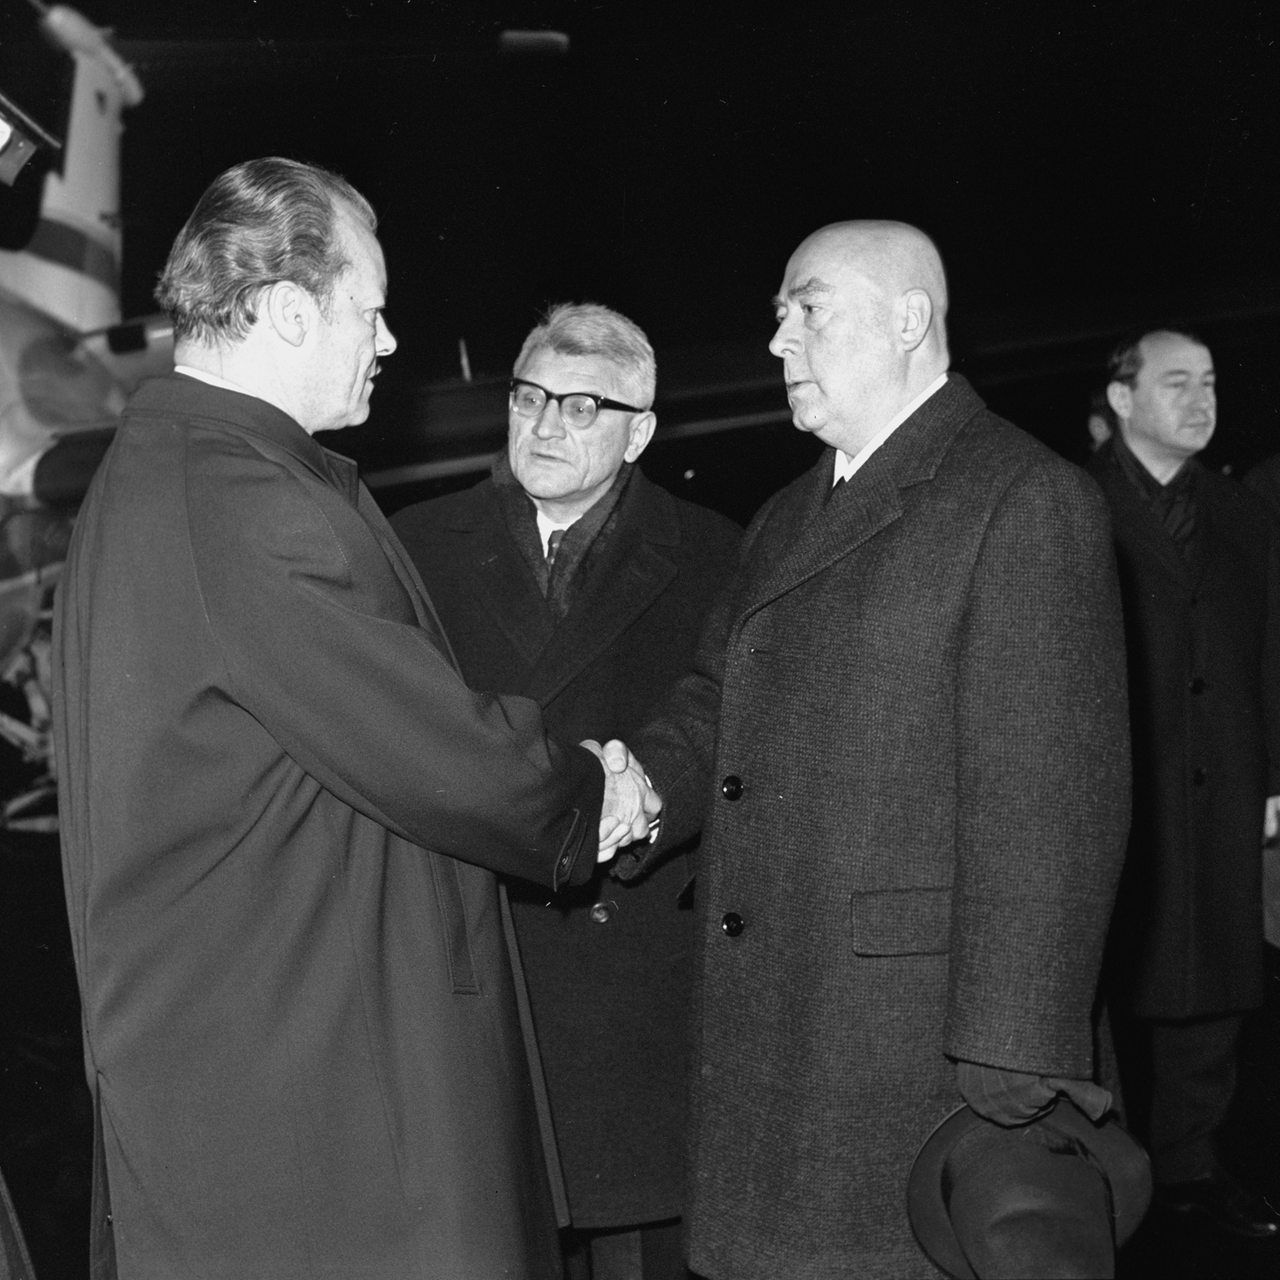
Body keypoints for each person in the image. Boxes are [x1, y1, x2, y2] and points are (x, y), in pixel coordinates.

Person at [51, 157, 657, 1280]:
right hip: (319, 1118)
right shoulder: (240, 497)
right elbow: (436, 750)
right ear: (288, 311)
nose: (387, 343)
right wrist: (588, 791)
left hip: (273, 1086)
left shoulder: (183, 469)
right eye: (369, 313)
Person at [615, 220, 1132, 1279]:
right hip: (784, 1026)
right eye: (775, 317)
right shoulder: (783, 513)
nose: (777, 341)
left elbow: (1053, 801)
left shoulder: (1019, 497)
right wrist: (630, 795)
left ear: (908, 319)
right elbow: (716, 701)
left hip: (916, 1060)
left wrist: (1011, 1059)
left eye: (805, 308)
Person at [391, 302, 741, 1280]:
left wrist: (638, 791)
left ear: (640, 431)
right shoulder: (411, 543)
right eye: (529, 395)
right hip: (472, 966)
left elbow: (722, 718)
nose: (545, 424)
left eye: (583, 405)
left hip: (631, 976)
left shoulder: (716, 552)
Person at [1092, 328, 1280, 1238]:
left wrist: (1274, 775)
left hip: (1225, 792)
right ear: (1123, 399)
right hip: (1118, 795)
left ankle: (1193, 1175)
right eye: (1177, 383)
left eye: (1209, 382)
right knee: (1113, 988)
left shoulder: (1245, 515)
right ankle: (1111, 1192)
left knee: (1216, 987)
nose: (1201, 401)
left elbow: (1274, 656)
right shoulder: (1071, 504)